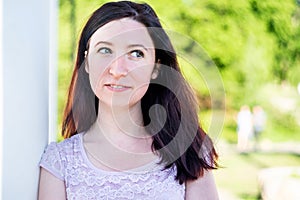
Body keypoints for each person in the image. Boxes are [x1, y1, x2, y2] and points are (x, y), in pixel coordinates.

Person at [38, 1, 219, 199]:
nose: (117, 70)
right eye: (105, 50)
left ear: (156, 68)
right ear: (87, 62)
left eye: (136, 53)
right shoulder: (59, 162)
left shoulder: (189, 153)